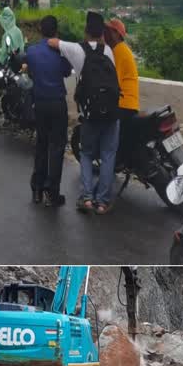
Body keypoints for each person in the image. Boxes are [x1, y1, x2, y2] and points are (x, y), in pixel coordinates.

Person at [47, 11, 120, 215]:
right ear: (102, 34)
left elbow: (53, 42)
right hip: (111, 113)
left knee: (87, 154)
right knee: (108, 155)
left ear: (86, 31)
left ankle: (87, 198)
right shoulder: (109, 53)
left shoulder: (77, 50)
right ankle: (103, 202)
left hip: (90, 113)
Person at [26, 15, 72, 207]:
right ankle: (52, 192)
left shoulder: (32, 51)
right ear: (56, 31)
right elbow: (67, 72)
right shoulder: (60, 52)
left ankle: (36, 189)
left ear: (40, 30)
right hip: (57, 104)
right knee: (57, 147)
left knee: (42, 144)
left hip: (40, 103)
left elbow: (31, 73)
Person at [103, 18, 139, 118]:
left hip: (123, 104)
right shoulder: (119, 49)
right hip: (127, 104)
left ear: (117, 34)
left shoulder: (119, 50)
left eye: (108, 30)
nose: (104, 33)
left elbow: (113, 82)